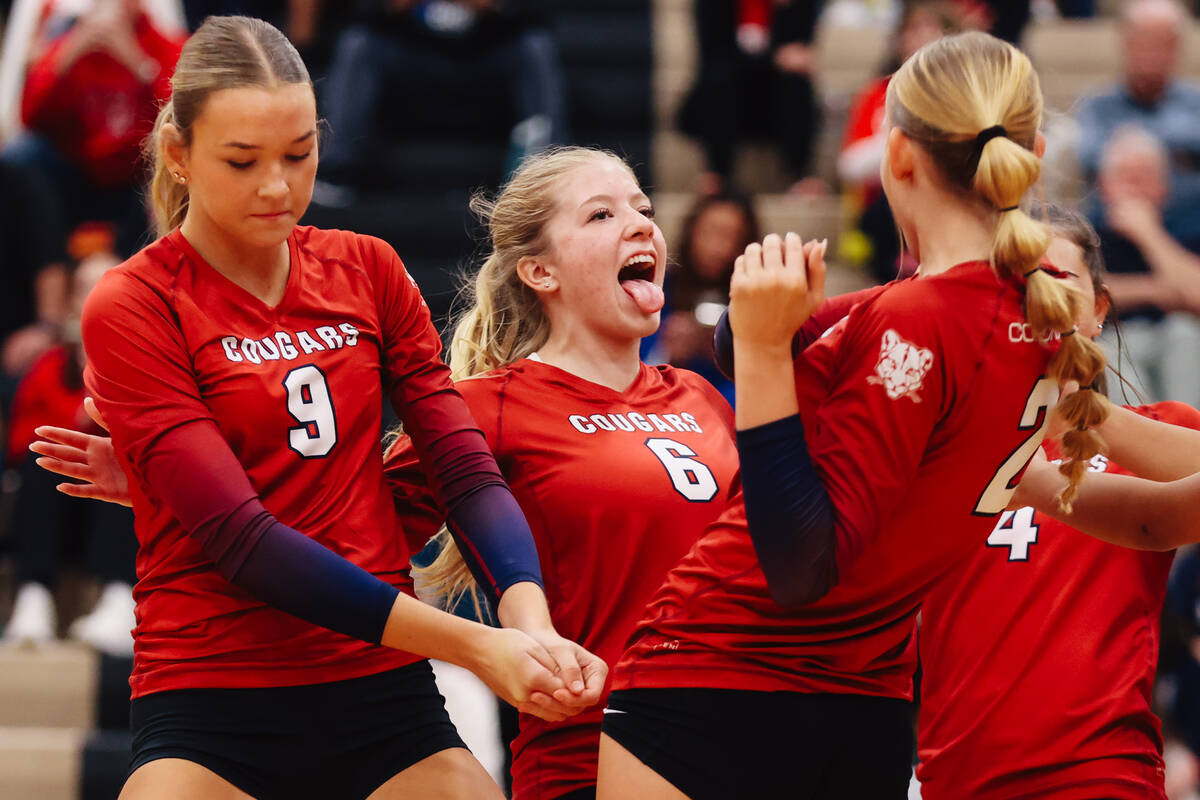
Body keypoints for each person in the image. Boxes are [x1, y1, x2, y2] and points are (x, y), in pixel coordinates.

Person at [37, 145, 762, 799]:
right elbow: (337, 525)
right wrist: (174, 488)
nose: (641, 226)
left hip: (744, 733)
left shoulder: (702, 398)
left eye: (643, 208)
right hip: (594, 750)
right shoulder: (487, 407)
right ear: (539, 271)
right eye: (603, 214)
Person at [39, 15, 602, 800]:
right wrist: (478, 646)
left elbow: (465, 470)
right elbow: (243, 540)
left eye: (300, 154)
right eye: (243, 161)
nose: (278, 186)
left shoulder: (367, 268)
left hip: (380, 694)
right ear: (178, 153)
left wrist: (530, 621)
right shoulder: (135, 301)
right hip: (212, 694)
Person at [596, 31, 1109, 800]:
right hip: (867, 696)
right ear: (1031, 153)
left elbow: (801, 566)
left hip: (716, 672)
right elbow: (743, 338)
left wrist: (764, 351)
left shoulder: (917, 319)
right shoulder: (1035, 314)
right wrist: (765, 330)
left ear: (895, 155)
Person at [916, 205, 1200, 800]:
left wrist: (1077, 406)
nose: (1038, 299)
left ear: (1098, 310)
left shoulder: (1161, 427)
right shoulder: (939, 442)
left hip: (1100, 772)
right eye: (1017, 283)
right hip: (953, 778)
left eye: (1058, 279)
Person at [4, 250, 138, 656]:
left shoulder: (141, 359)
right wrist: (77, 420)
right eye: (84, 288)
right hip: (59, 497)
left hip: (115, 502)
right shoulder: (50, 364)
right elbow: (21, 439)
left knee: (122, 460)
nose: (95, 296)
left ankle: (120, 598)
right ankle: (34, 597)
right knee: (40, 460)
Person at [1093, 125, 1200, 406]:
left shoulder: (1188, 231)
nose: (1135, 188)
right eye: (1125, 177)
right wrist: (1157, 290)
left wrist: (1149, 234)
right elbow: (1081, 294)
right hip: (1115, 339)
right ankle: (1150, 431)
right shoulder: (1087, 233)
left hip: (1175, 343)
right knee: (1104, 352)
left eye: (1146, 177)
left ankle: (1187, 429)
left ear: (1165, 186)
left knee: (1185, 331)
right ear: (1104, 186)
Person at [1076, 0, 1200, 241]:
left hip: (1190, 235)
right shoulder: (1098, 105)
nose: (1152, 52)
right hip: (1111, 232)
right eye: (1143, 41)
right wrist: (1178, 157)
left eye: (1163, 42)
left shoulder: (1196, 103)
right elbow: (1091, 159)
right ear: (1125, 42)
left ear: (1178, 47)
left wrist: (1129, 150)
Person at [653, 191, 760, 404]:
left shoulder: (755, 297)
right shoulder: (658, 289)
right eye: (710, 232)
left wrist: (729, 352)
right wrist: (666, 351)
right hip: (665, 402)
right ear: (691, 231)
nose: (717, 247)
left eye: (732, 236)